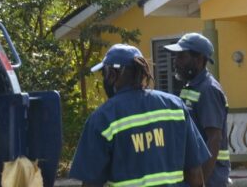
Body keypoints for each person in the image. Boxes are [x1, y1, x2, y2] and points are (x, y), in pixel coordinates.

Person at [70, 44, 211, 187]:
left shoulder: (102, 118)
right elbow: (196, 176)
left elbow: (91, 182)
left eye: (104, 74)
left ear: (112, 74)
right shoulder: (176, 107)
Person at [166, 33, 231, 187]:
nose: (176, 62)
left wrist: (201, 181)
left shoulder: (208, 90)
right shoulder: (192, 87)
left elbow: (214, 138)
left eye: (182, 56)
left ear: (199, 59)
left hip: (211, 177)